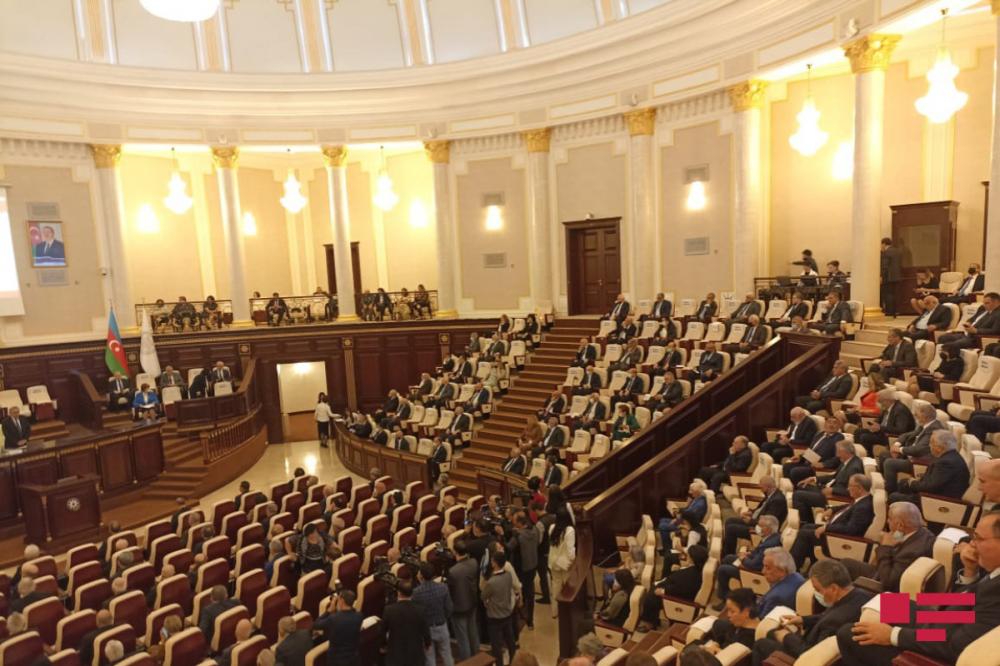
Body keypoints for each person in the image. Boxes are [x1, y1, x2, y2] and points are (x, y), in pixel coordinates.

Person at [838, 510, 1000, 665]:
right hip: (946, 620)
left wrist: (892, 635)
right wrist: (970, 571)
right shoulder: (994, 569)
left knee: (848, 633)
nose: (972, 544)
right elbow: (967, 600)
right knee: (884, 601)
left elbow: (955, 644)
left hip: (937, 645)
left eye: (978, 538)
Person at [840, 501, 935, 592]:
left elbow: (888, 583)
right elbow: (878, 562)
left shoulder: (911, 552)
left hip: (894, 596)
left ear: (900, 525)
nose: (887, 522)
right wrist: (886, 541)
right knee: (846, 563)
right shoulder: (921, 532)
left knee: (842, 574)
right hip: (888, 570)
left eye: (889, 518)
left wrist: (885, 547)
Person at [789, 474, 874, 569]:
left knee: (804, 534)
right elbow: (849, 507)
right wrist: (833, 509)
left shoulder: (863, 508)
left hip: (839, 539)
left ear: (860, 489)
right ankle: (812, 564)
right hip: (836, 528)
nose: (848, 488)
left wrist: (827, 528)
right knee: (806, 527)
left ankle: (791, 568)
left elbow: (851, 529)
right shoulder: (863, 499)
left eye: (850, 486)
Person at [712, 515, 781, 610]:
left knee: (723, 570)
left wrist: (743, 559)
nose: (758, 528)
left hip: (753, 573)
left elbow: (754, 565)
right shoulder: (772, 536)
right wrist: (749, 554)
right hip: (753, 562)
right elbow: (758, 553)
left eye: (761, 526)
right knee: (728, 558)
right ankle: (724, 587)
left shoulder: (769, 544)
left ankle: (725, 600)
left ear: (768, 529)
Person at [879, 402, 947, 493]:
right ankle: (885, 483)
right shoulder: (925, 425)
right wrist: (897, 444)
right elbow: (906, 435)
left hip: (920, 461)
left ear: (925, 416)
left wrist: (899, 450)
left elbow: (919, 450)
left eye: (917, 415)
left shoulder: (934, 429)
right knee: (884, 455)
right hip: (910, 454)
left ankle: (890, 491)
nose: (915, 416)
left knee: (889, 463)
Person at [889, 429, 969, 504]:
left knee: (894, 496)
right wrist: (915, 482)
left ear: (939, 447)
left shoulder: (946, 463)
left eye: (931, 443)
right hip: (932, 493)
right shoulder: (950, 456)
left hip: (936, 501)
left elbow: (930, 488)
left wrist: (913, 483)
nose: (929, 446)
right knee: (903, 483)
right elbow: (933, 482)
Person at [790, 439, 865, 515]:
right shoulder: (847, 461)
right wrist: (814, 479)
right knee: (802, 485)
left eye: (839, 452)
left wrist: (833, 490)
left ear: (846, 452)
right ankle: (808, 518)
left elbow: (853, 491)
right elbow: (834, 476)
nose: (837, 455)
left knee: (797, 495)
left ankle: (804, 520)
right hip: (826, 489)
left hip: (834, 497)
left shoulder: (854, 468)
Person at [639, 545, 708, 627]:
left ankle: (648, 623)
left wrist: (664, 591)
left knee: (651, 597)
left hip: (677, 599)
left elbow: (681, 589)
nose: (686, 557)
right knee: (654, 588)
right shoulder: (698, 570)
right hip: (675, 586)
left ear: (692, 559)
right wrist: (679, 569)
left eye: (688, 555)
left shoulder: (691, 575)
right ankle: (654, 620)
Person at [721, 475, 786, 556]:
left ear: (768, 487)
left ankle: (728, 555)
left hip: (761, 530)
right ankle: (726, 552)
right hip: (756, 521)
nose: (760, 489)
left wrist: (750, 521)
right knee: (729, 521)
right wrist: (751, 512)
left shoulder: (777, 501)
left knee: (731, 529)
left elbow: (768, 522)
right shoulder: (771, 494)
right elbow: (761, 509)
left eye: (762, 487)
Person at [412, 562, 453, 666]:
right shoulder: (443, 587)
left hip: (426, 629)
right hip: (441, 625)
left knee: (429, 658)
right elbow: (449, 608)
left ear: (421, 575)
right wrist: (444, 618)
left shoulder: (416, 593)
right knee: (447, 655)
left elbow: (416, 614)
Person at [481, 550, 518, 666]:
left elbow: (483, 596)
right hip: (507, 614)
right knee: (510, 642)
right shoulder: (508, 576)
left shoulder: (491, 582)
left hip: (495, 618)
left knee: (496, 647)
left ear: (495, 563)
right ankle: (514, 662)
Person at [382, 578, 430, 666]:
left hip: (395, 652)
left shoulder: (389, 610)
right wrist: (428, 643)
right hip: (415, 652)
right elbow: (425, 630)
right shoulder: (420, 610)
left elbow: (382, 631)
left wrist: (383, 645)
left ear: (398, 593)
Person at [507, 511, 540, 629]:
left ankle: (520, 616)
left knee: (518, 591)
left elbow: (508, 547)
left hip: (521, 568)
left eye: (514, 521)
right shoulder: (535, 530)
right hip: (533, 565)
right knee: (530, 593)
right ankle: (530, 620)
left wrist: (502, 534)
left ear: (519, 523)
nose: (513, 523)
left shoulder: (518, 536)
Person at [313, 589, 363, 666]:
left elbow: (316, 624)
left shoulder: (334, 619)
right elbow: (352, 612)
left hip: (336, 661)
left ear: (342, 601)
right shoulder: (359, 617)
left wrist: (329, 610)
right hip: (353, 659)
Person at [756, 548, 806, 618]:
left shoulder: (775, 597)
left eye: (768, 568)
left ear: (782, 570)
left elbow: (761, 622)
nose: (763, 571)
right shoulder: (797, 577)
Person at [548, 510, 576, 617]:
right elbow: (570, 550)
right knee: (567, 588)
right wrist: (574, 560)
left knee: (556, 587)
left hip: (553, 561)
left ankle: (555, 612)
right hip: (564, 563)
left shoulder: (552, 527)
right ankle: (567, 612)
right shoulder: (570, 530)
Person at [880, 237, 903, 317]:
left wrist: (881, 276)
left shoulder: (886, 252)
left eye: (881, 244)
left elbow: (885, 266)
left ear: (884, 244)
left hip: (888, 277)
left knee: (888, 294)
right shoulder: (898, 251)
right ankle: (895, 311)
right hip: (897, 276)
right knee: (895, 294)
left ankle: (889, 311)